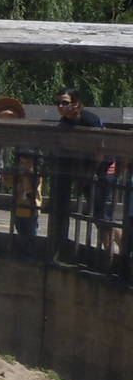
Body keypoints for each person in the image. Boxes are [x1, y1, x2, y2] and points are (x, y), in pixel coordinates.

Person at [55, 86, 120, 254]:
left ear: (76, 104)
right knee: (99, 216)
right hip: (85, 171)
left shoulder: (89, 120)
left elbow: (100, 150)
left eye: (65, 102)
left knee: (101, 215)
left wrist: (89, 174)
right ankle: (116, 252)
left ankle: (112, 255)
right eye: (58, 103)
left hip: (103, 169)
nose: (60, 106)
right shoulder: (64, 123)